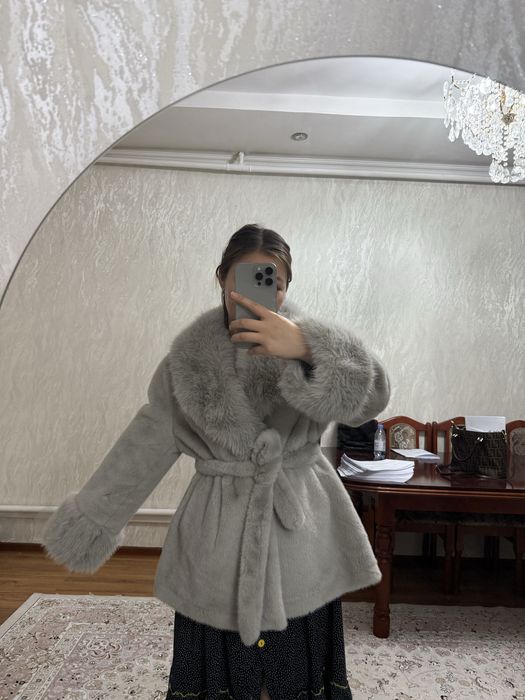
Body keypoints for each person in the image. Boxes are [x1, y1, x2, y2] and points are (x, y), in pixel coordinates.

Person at [42, 223, 391, 699]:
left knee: (296, 659)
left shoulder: (314, 350)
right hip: (218, 529)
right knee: (218, 653)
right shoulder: (186, 362)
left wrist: (309, 348)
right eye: (244, 278)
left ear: (287, 286)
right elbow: (145, 442)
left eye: (273, 282)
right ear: (221, 278)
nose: (259, 292)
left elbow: (372, 398)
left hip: (300, 532)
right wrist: (94, 519)